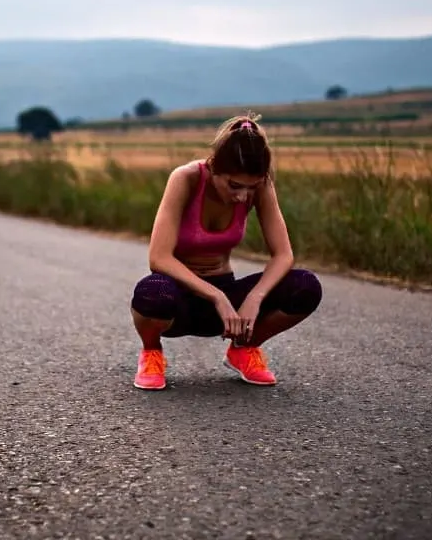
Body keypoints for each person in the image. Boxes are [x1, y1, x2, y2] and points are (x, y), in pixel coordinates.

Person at [129, 112, 323, 390]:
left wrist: (255, 298)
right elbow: (158, 258)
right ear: (214, 167)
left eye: (251, 187)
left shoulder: (261, 185)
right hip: (179, 299)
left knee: (305, 286)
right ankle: (151, 353)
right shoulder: (186, 179)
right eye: (234, 185)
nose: (242, 196)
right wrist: (217, 296)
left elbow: (283, 255)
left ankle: (244, 348)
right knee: (152, 292)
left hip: (227, 308)